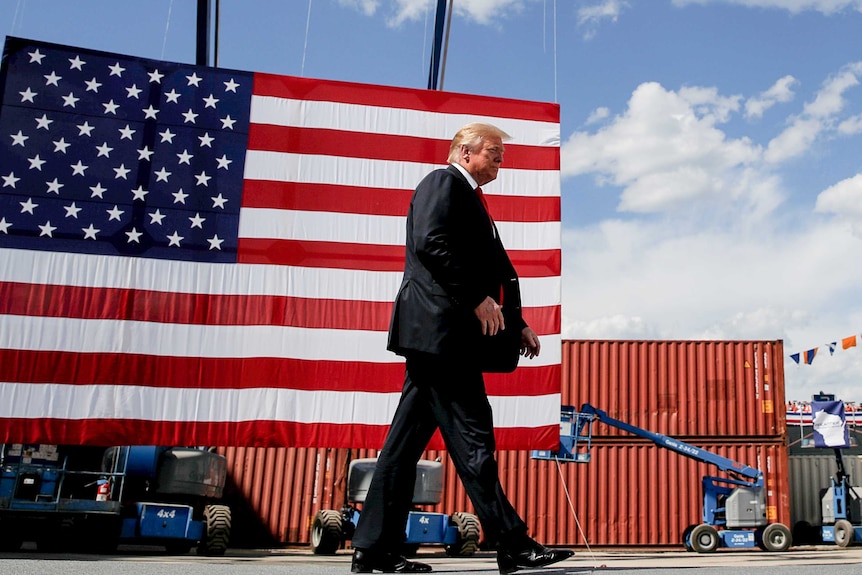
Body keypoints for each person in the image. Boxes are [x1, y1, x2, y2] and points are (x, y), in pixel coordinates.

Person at [349, 123, 573, 574]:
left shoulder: (469, 196)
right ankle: (513, 543)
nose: (501, 160)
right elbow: (431, 244)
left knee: (400, 449)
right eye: (494, 151)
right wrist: (476, 298)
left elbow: (486, 267)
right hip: (443, 338)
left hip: (438, 340)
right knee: (474, 442)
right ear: (465, 151)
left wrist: (516, 323)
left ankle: (373, 550)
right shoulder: (442, 182)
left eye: (502, 154)